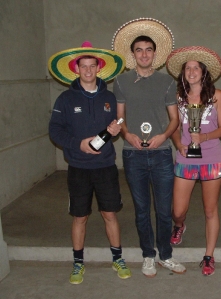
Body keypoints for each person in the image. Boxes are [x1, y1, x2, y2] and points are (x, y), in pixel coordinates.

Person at [48, 41, 131, 284]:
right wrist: (78, 144)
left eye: (91, 66)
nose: (87, 70)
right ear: (76, 69)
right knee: (80, 216)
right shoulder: (64, 99)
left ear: (98, 68)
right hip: (78, 168)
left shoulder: (109, 97)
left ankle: (118, 258)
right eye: (83, 66)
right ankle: (78, 263)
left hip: (105, 167)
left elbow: (114, 128)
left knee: (110, 214)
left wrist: (115, 130)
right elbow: (55, 131)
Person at [111, 18, 185, 277]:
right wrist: (127, 134)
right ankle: (148, 256)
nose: (144, 54)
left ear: (155, 54)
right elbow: (119, 118)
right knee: (142, 210)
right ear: (133, 54)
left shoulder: (167, 82)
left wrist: (163, 136)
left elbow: (175, 118)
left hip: (162, 154)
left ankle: (166, 255)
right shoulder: (120, 82)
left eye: (148, 50)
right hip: (133, 155)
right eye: (139, 50)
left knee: (164, 211)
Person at [165, 46, 221, 275]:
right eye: (188, 68)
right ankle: (180, 226)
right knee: (178, 210)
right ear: (183, 73)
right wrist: (178, 143)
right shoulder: (177, 97)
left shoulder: (216, 95)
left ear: (203, 72)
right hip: (185, 159)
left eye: (196, 68)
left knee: (210, 210)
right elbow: (172, 126)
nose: (192, 71)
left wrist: (204, 137)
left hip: (211, 158)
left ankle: (209, 256)